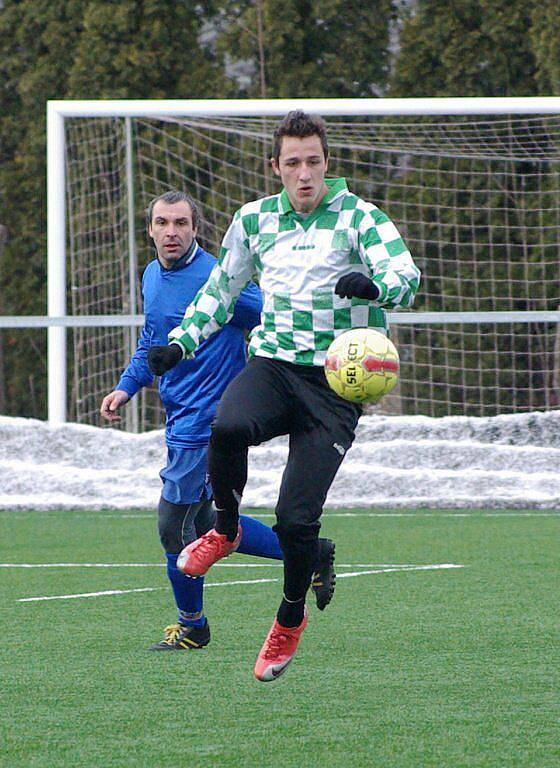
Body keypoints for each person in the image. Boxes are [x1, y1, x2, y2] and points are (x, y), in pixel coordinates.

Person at [148, 112, 420, 681]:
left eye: (313, 162)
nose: (304, 174)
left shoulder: (359, 218)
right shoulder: (254, 221)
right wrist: (180, 344)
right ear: (275, 167)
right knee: (227, 426)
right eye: (292, 162)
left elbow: (405, 275)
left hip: (333, 384)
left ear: (327, 164)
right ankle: (223, 528)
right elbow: (220, 292)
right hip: (272, 366)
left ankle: (289, 619)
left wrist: (377, 286)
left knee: (296, 521)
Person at [100, 190, 338, 652]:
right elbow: (154, 340)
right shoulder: (152, 275)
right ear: (149, 229)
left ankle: (193, 625)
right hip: (179, 416)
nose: (172, 232)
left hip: (209, 421)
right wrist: (127, 386)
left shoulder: (217, 277)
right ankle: (309, 555)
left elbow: (272, 314)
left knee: (173, 523)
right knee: (209, 519)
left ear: (196, 229)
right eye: (163, 223)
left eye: (181, 223)